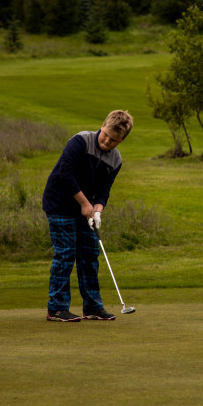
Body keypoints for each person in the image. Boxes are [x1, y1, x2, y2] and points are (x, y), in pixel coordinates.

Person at [42, 110, 133, 322]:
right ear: (102, 126)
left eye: (114, 140)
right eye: (106, 135)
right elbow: (65, 174)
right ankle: (56, 308)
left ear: (122, 141)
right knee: (66, 253)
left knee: (90, 255)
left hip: (87, 208)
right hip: (59, 202)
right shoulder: (80, 141)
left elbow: (104, 189)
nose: (108, 141)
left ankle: (92, 306)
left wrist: (98, 209)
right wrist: (85, 203)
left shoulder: (116, 160)